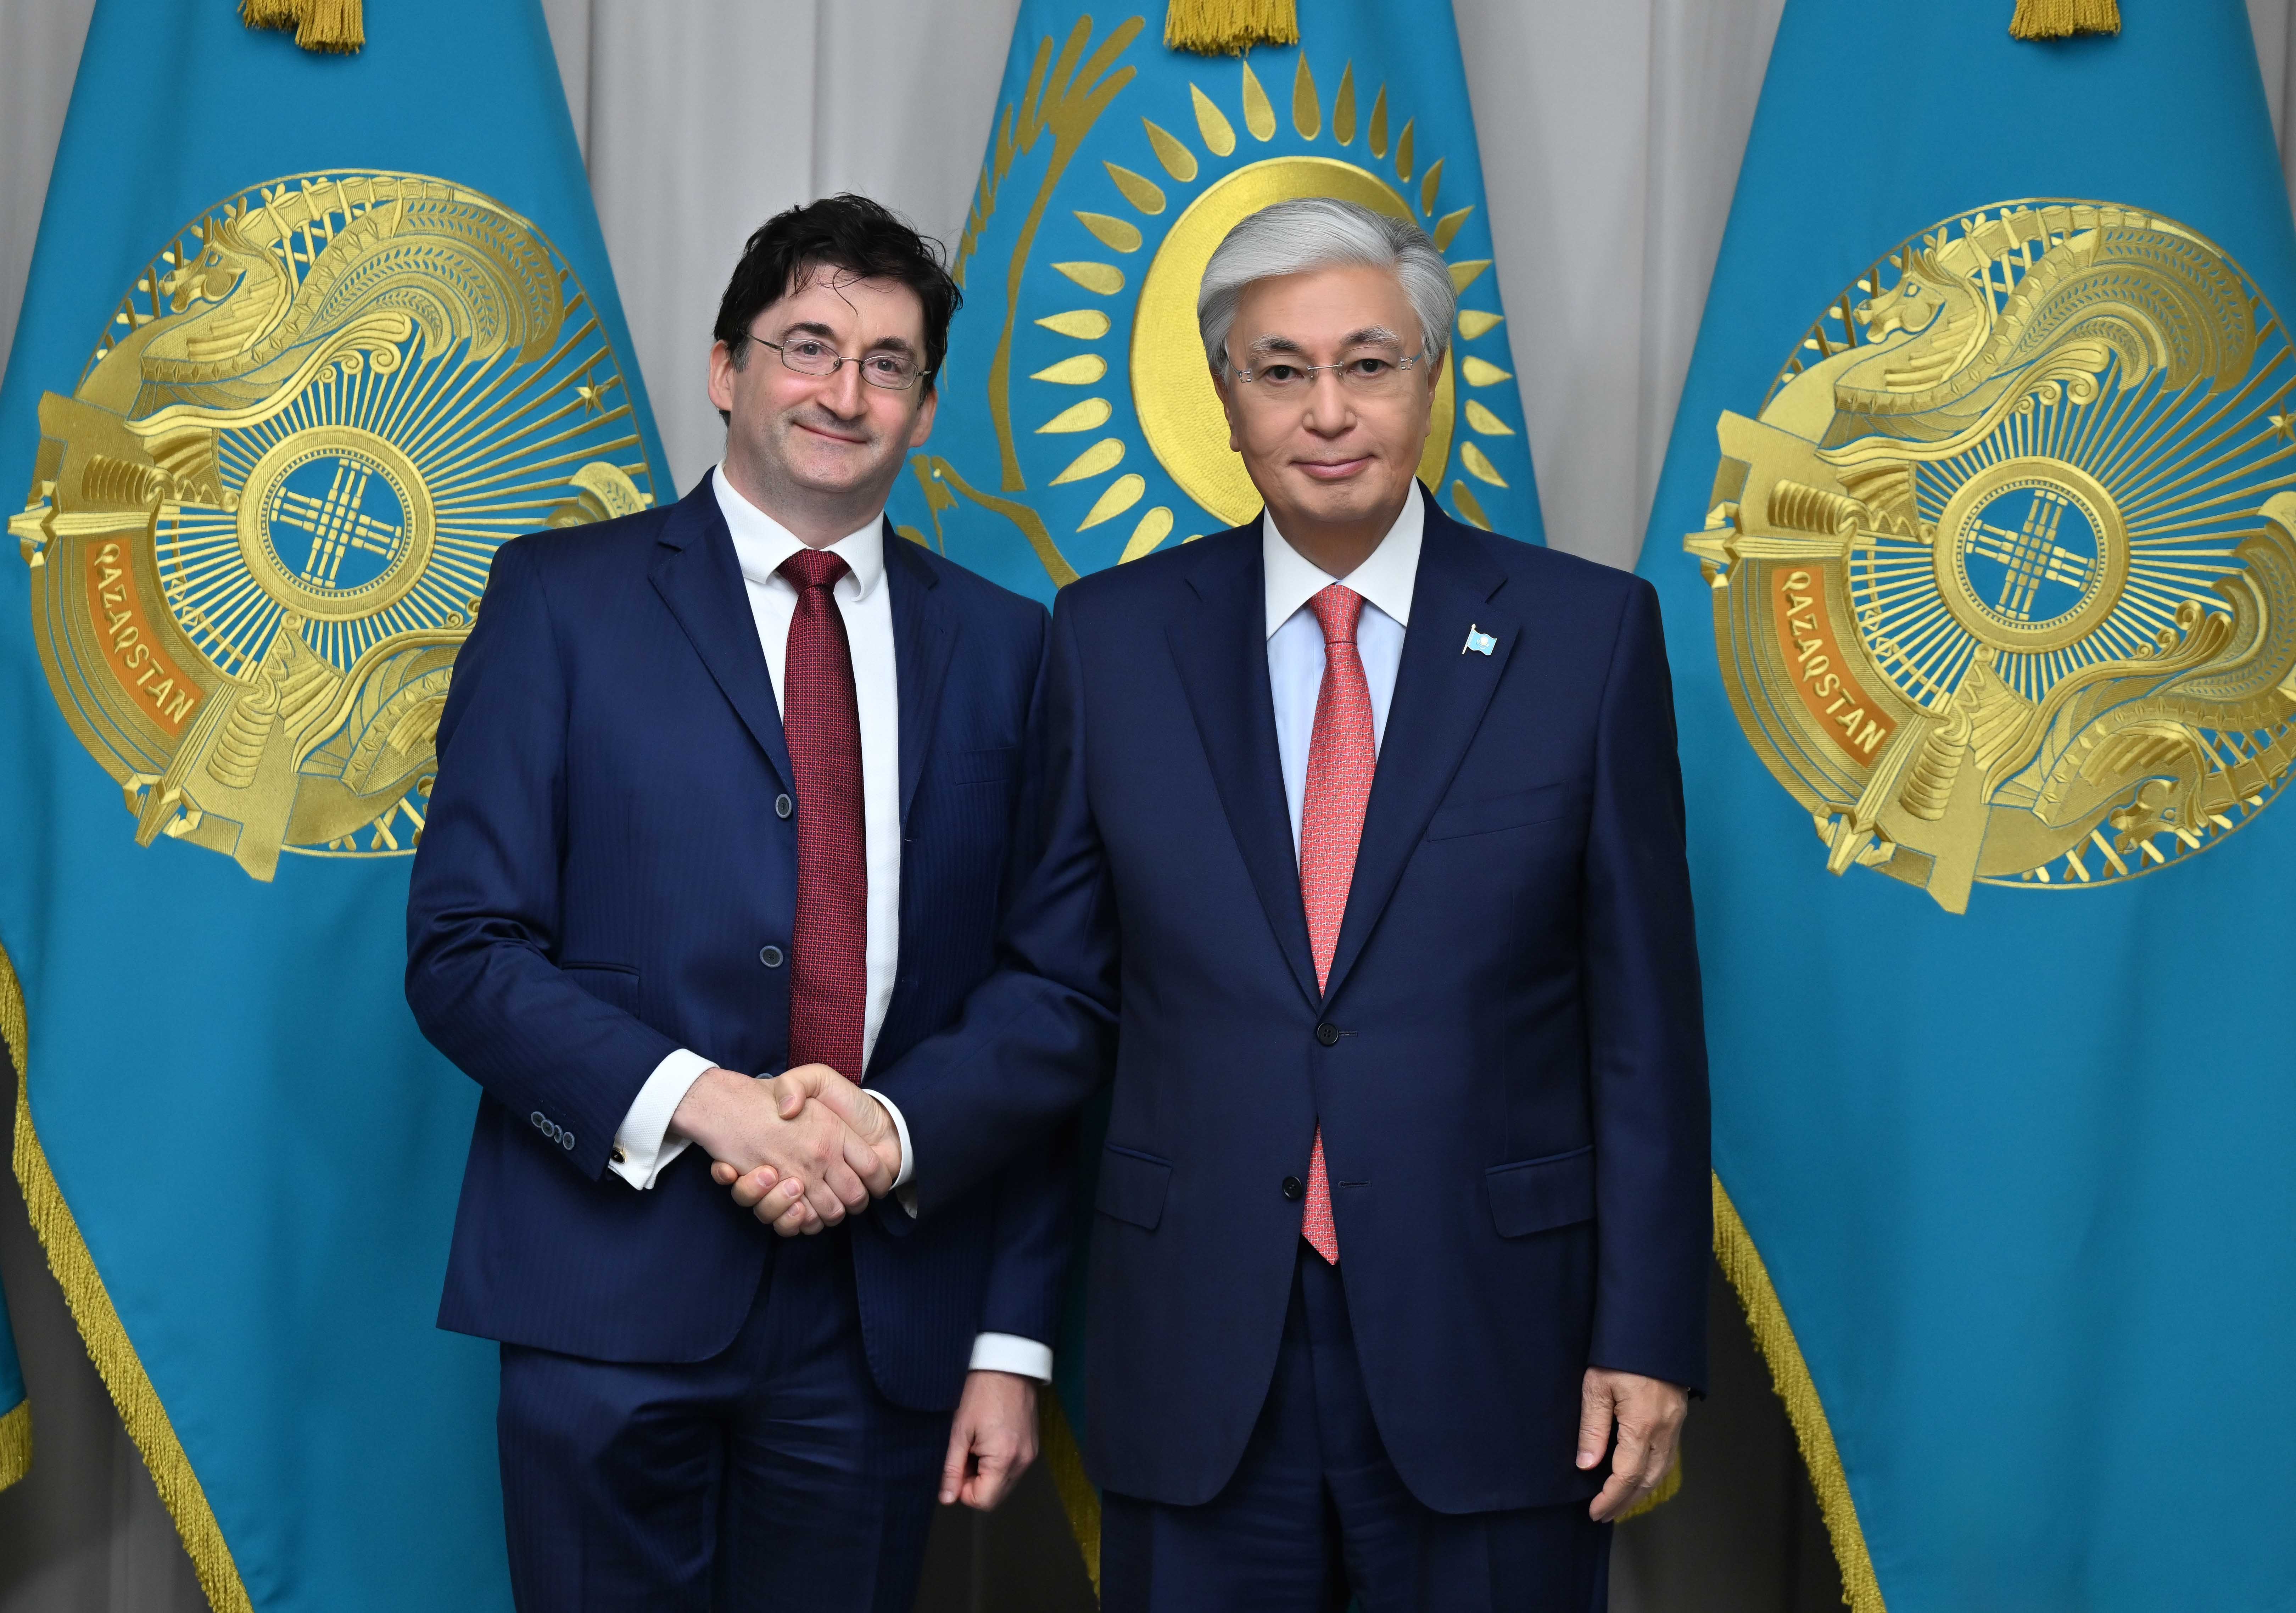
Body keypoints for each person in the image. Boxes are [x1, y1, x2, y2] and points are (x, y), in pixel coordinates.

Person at [734, 196, 1713, 1612]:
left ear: (1431, 377)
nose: (1329, 411)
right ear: (1226, 397)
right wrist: (898, 1137)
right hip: (1194, 1350)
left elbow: (1644, 1030)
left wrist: (1649, 1334)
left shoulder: (1588, 633)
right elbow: (1059, 991)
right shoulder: (1113, 638)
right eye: (1282, 371)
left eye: (1369, 364)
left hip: (1499, 1346)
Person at [404, 194, 1065, 1613]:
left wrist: (1008, 1336)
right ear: (726, 369)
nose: (845, 392)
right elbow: (464, 950)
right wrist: (710, 1104)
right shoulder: (560, 602)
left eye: (887, 364)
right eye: (808, 346)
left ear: (925, 410)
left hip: (886, 1311)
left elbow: (1050, 995)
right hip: (606, 1290)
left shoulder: (1011, 649)